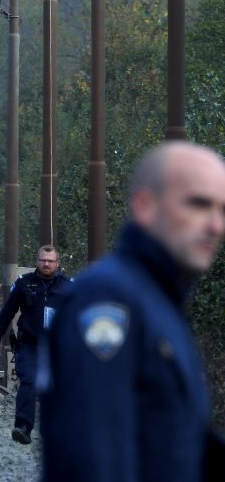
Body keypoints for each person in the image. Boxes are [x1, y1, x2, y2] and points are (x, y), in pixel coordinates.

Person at [40, 141, 225, 481]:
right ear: (145, 206)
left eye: (222, 210)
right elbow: (95, 457)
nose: (216, 225)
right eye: (199, 204)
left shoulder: (158, 302)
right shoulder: (109, 300)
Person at [0, 245, 71, 445]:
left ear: (57, 263)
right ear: (37, 261)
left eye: (50, 261)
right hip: (29, 345)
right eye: (43, 260)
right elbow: (7, 312)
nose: (46, 264)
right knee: (29, 382)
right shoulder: (24, 284)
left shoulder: (68, 288)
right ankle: (23, 427)